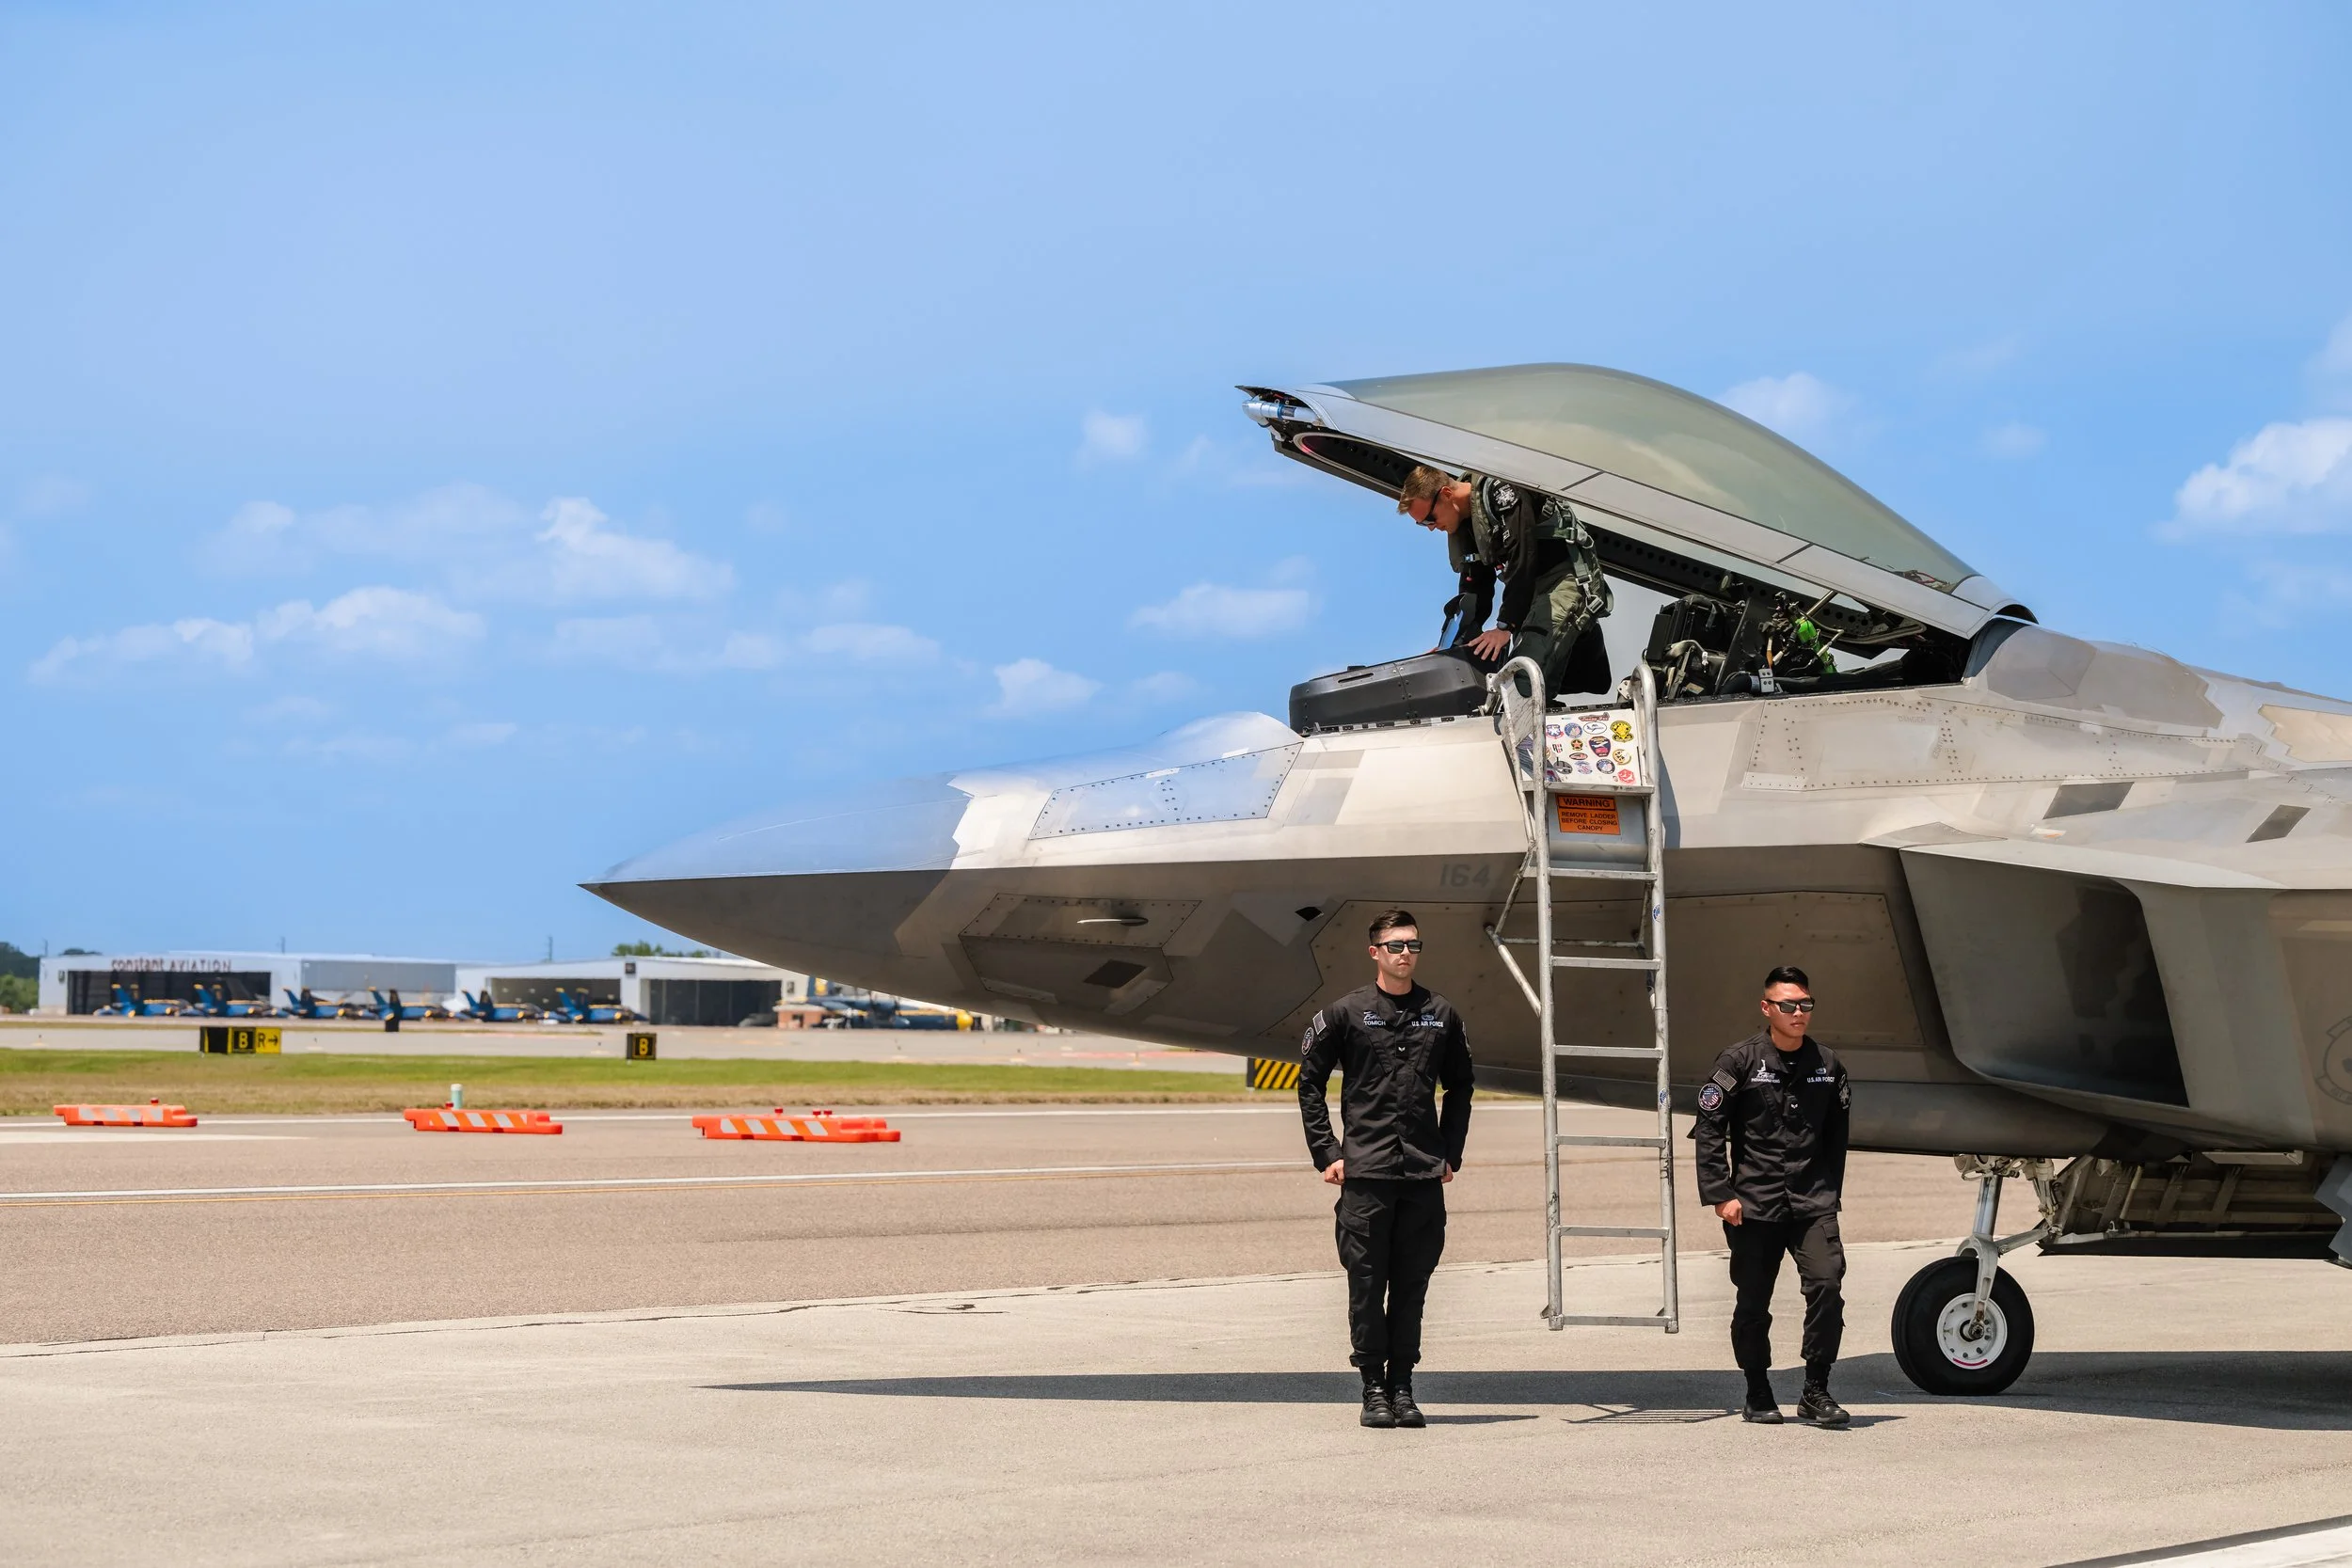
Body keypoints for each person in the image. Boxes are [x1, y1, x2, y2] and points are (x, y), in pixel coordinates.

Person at [1297, 909, 1475, 1429]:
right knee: (1368, 1283)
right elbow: (1310, 1082)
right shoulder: (1345, 1013)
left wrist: (1450, 1152)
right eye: (1395, 946)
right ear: (1374, 951)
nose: (1405, 954)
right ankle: (1373, 1389)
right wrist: (1328, 1153)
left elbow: (1461, 1087)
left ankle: (1403, 1387)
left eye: (1413, 946)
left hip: (1421, 1174)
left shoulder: (1441, 1013)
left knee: (1413, 1285)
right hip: (1367, 1175)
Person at [1691, 965, 1852, 1427]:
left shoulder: (1828, 1065)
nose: (1799, 1013)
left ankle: (1816, 1391)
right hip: (1754, 1204)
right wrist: (1721, 1194)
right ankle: (1757, 1391)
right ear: (1767, 1008)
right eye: (1789, 1005)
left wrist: (1829, 1192)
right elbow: (1708, 1129)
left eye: (1805, 1005)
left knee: (1827, 1284)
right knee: (1753, 1300)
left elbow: (1837, 1135)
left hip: (1812, 1201)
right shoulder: (1738, 1061)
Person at [1396, 464, 1613, 702]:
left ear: (1447, 494)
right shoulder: (1464, 520)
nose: (1431, 528)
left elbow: (1523, 559)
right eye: (1423, 524)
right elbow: (1475, 586)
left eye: (1430, 518)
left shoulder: (1503, 493)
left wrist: (1505, 626)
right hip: (1531, 593)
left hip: (1563, 580)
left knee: (1523, 675)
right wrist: (1453, 649)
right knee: (1523, 668)